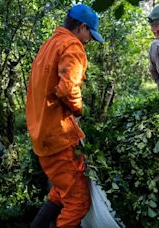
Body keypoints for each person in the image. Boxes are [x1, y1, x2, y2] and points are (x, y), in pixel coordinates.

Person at [26, 4, 103, 228]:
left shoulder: (50, 44)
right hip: (58, 136)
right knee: (78, 202)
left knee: (61, 191)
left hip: (42, 133)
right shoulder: (72, 46)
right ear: (82, 27)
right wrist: (79, 110)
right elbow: (68, 88)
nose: (88, 40)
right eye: (89, 34)